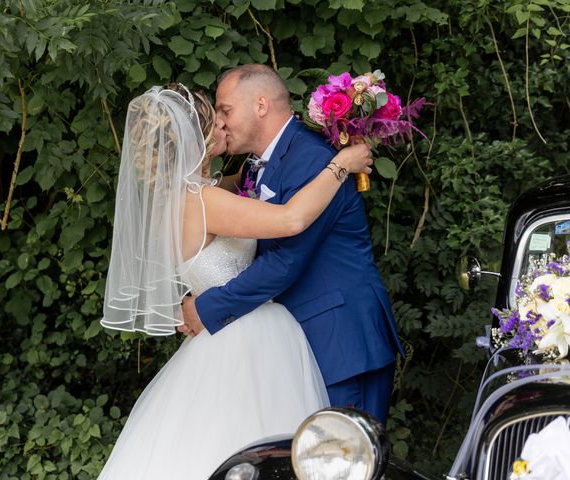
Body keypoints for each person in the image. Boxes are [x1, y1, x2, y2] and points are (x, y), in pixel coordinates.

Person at [98, 84, 373, 479]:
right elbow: (291, 220)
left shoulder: (178, 198)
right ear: (200, 137)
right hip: (248, 337)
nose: (224, 123)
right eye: (217, 118)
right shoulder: (202, 202)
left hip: (218, 338)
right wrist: (342, 164)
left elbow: (243, 185)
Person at [182, 64, 405, 425]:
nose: (221, 123)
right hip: (297, 344)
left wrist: (207, 308)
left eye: (226, 111)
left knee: (345, 462)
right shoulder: (256, 166)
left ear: (260, 105)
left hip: (340, 340)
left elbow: (287, 260)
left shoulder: (314, 159)